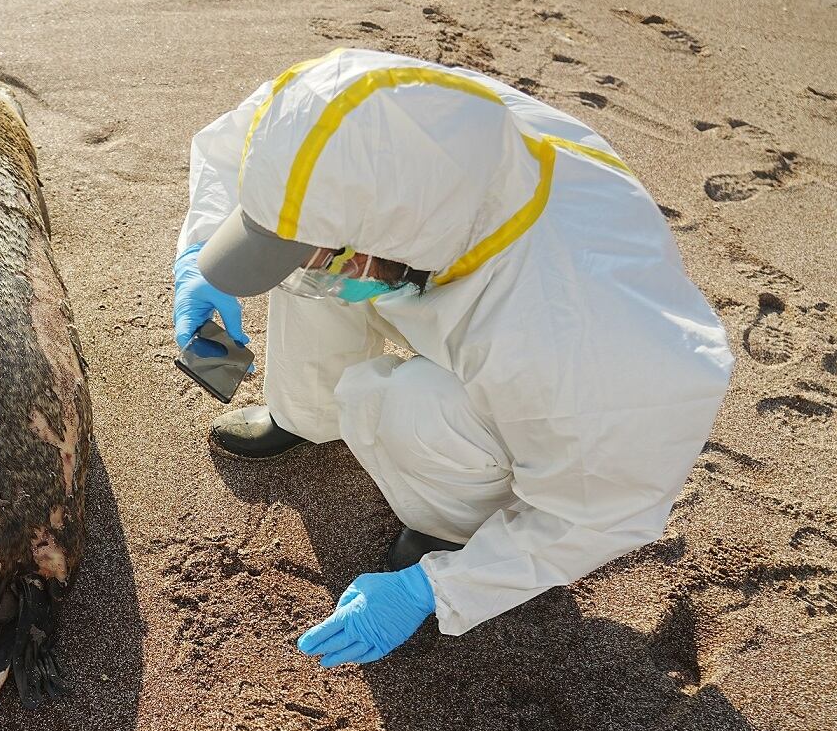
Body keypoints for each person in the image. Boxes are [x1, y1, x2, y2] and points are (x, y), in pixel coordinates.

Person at [172, 49, 733, 668]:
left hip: (532, 347)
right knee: (308, 271)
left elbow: (599, 508)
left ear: (392, 234)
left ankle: (447, 527)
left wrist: (444, 587)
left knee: (407, 402)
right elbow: (245, 147)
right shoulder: (349, 113)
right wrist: (199, 255)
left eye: (329, 247)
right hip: (422, 276)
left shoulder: (585, 340)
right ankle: (304, 415)